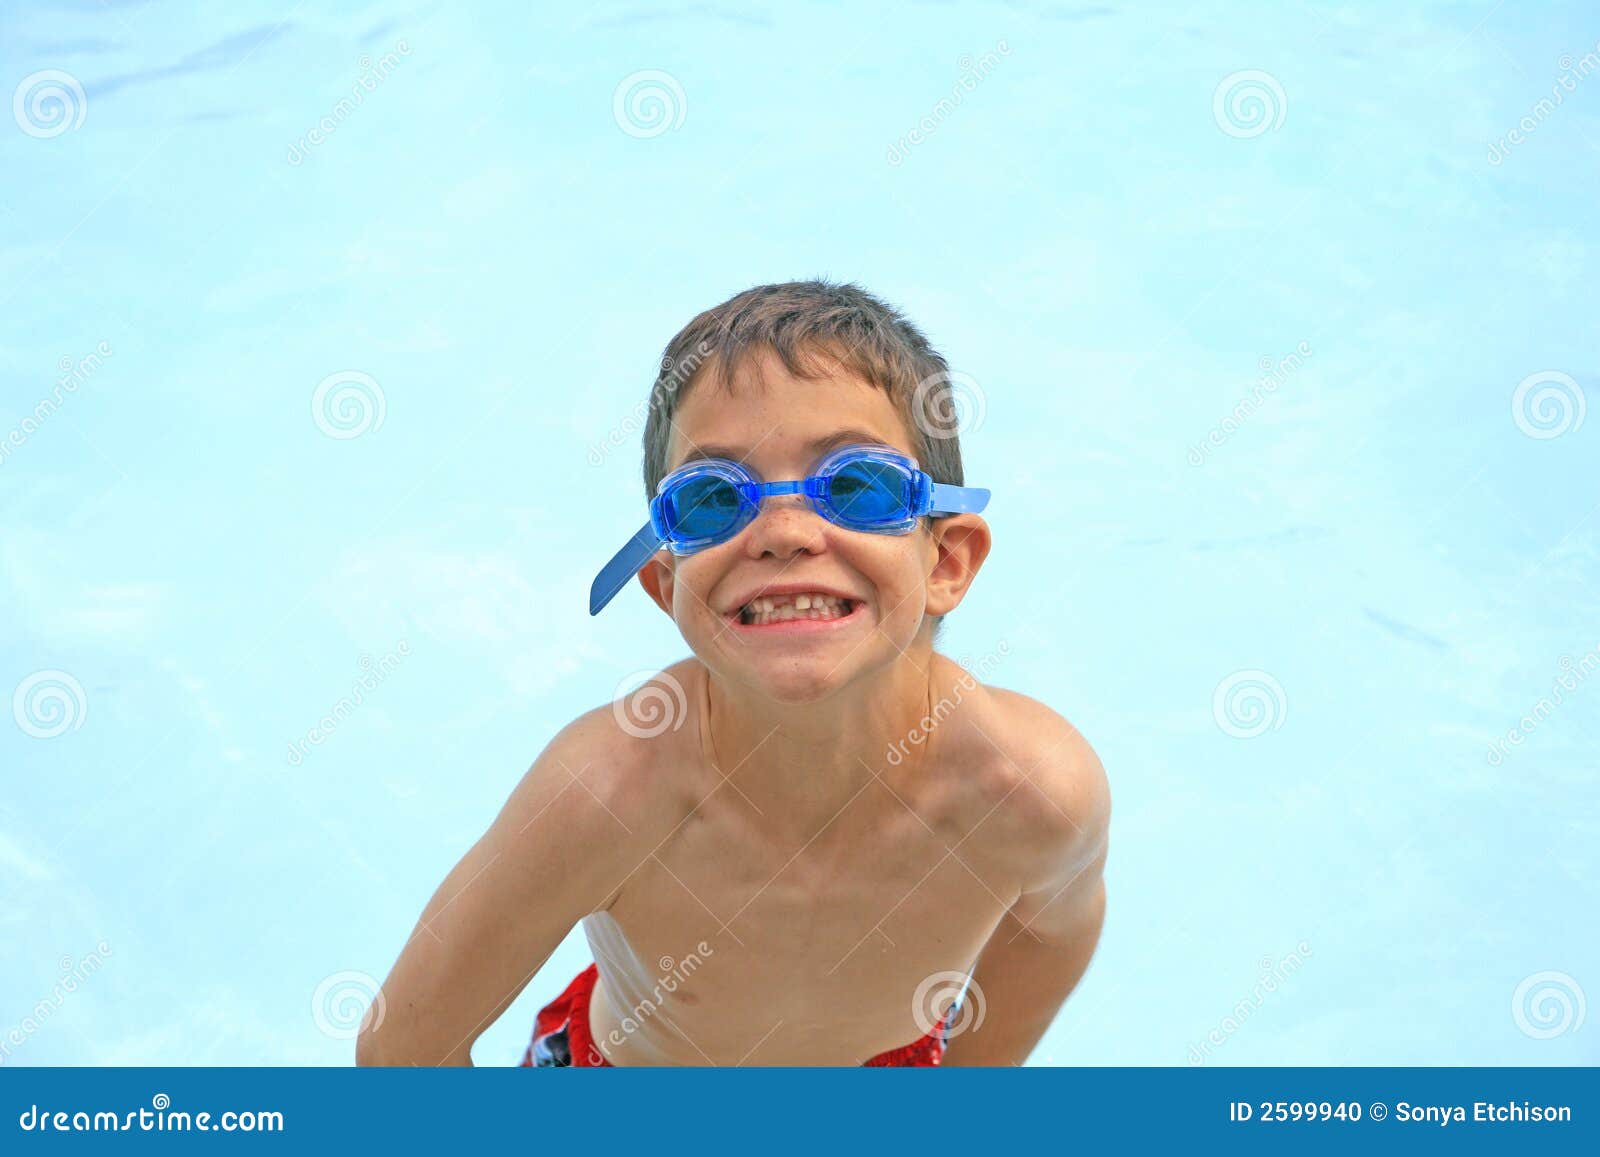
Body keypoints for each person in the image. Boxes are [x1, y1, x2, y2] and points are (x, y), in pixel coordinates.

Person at [358, 280, 1109, 1067]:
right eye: (715, 499)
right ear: (664, 584)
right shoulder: (609, 793)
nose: (784, 532)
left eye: (858, 487)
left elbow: (1053, 933)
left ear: (948, 560)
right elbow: (402, 1048)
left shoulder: (1028, 789)